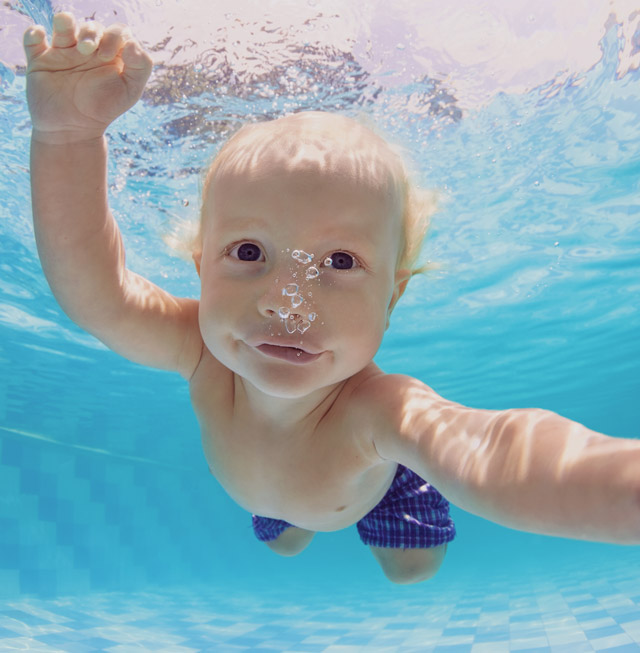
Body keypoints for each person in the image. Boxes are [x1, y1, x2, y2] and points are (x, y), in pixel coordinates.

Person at [23, 12, 640, 585]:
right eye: (247, 253)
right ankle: (304, 518)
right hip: (279, 500)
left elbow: (493, 450)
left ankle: (401, 484)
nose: (287, 303)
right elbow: (96, 295)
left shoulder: (381, 410)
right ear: (200, 269)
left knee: (411, 571)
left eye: (339, 262)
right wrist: (69, 136)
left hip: (375, 486)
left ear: (391, 296)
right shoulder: (200, 346)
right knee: (285, 542)